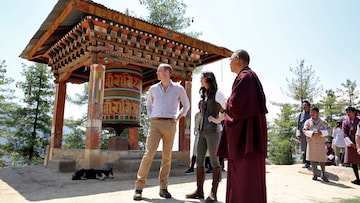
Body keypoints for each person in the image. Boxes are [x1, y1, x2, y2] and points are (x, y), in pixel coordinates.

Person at [216, 49, 268, 203]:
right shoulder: (249, 77)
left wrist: (224, 101)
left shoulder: (245, 77)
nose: (229, 63)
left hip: (246, 140)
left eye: (230, 59)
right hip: (249, 136)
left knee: (244, 179)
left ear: (237, 59)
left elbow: (236, 108)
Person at [133, 64, 190, 201]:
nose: (157, 73)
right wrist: (153, 116)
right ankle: (139, 188)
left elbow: (186, 105)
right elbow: (148, 105)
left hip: (170, 123)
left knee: (167, 157)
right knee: (148, 154)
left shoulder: (178, 88)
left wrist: (180, 115)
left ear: (166, 72)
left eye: (159, 71)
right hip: (155, 124)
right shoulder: (153, 89)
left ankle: (163, 188)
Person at [186, 71, 227, 203]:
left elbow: (227, 111)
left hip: (213, 133)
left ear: (207, 79)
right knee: (199, 161)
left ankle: (213, 193)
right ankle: (199, 191)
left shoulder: (217, 94)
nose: (200, 80)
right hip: (201, 132)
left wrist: (216, 120)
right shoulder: (204, 94)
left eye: (201, 78)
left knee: (215, 162)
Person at [302, 107, 330, 182]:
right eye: (311, 112)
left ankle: (323, 174)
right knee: (312, 159)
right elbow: (304, 130)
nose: (312, 114)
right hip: (312, 142)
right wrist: (312, 133)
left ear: (317, 113)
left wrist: (321, 133)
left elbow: (329, 130)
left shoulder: (323, 122)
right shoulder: (307, 122)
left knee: (322, 159)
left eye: (313, 112)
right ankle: (314, 174)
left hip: (320, 143)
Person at [343, 106, 360, 185]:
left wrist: (358, 144)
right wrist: (351, 144)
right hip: (350, 144)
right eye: (347, 112)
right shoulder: (346, 122)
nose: (348, 114)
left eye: (349, 112)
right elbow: (345, 134)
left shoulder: (359, 120)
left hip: (359, 143)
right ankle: (357, 178)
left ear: (354, 112)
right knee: (353, 162)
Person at [185, 101, 202, 175]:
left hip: (204, 133)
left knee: (207, 151)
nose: (199, 106)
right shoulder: (197, 114)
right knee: (195, 150)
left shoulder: (206, 115)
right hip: (198, 134)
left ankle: (209, 167)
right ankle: (192, 166)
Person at [297, 100, 312, 168]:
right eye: (303, 106)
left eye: (305, 106)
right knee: (304, 148)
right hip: (303, 134)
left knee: (311, 148)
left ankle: (312, 162)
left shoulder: (312, 114)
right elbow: (298, 125)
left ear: (309, 107)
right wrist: (298, 134)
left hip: (310, 133)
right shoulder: (301, 115)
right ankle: (306, 162)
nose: (304, 107)